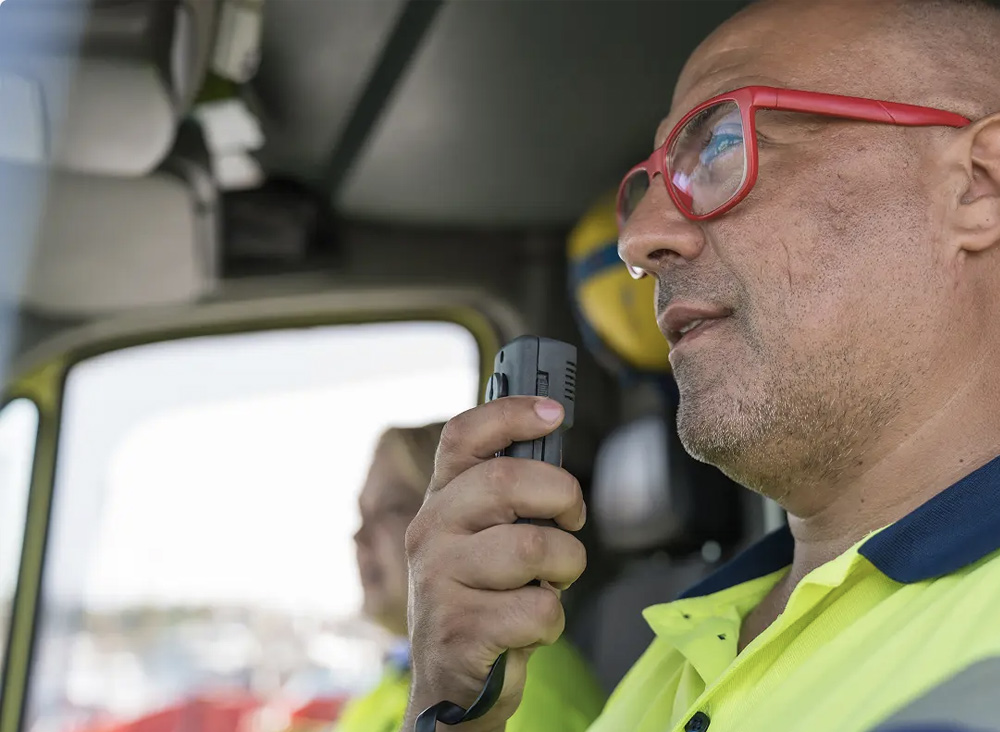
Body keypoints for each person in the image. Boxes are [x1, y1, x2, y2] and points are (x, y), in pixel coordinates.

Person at [401, 0, 1000, 731]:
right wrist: (458, 708)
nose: (639, 240)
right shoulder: (684, 644)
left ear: (978, 184)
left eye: (719, 145)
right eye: (649, 181)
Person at [335, 423, 605, 732]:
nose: (359, 536)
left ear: (468, 522)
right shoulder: (382, 691)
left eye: (393, 508)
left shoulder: (518, 682)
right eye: (362, 513)